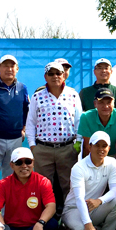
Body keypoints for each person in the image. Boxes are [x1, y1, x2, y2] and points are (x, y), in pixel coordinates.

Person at [25, 61, 82, 213]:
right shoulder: (37, 96)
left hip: (67, 148)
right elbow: (31, 123)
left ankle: (69, 216)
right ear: (45, 77)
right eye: (51, 74)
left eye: (58, 73)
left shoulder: (73, 94)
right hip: (43, 149)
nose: (55, 76)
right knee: (43, 186)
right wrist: (33, 146)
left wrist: (78, 143)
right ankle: (45, 217)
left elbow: (79, 121)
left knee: (69, 185)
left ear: (63, 75)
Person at [62, 131, 116, 230]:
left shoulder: (112, 162)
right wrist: (88, 224)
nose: (101, 149)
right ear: (90, 147)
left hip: (94, 206)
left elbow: (114, 190)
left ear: (109, 148)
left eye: (104, 146)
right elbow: (79, 198)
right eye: (97, 145)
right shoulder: (79, 167)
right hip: (73, 208)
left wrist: (99, 201)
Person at [0, 147, 58, 230]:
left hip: (34, 227)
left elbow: (51, 206)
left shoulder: (43, 182)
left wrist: (40, 223)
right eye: (19, 163)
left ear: (33, 163)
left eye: (28, 162)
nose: (24, 166)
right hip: (11, 228)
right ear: (12, 165)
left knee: (52, 224)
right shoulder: (3, 184)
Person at [0, 54, 30, 200]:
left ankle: (8, 212)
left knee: (11, 179)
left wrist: (23, 129)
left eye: (12, 66)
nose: (9, 69)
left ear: (17, 69)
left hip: (15, 140)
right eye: (5, 66)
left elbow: (26, 110)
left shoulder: (22, 88)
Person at [78, 88, 116, 167]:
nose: (105, 106)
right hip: (95, 153)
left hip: (115, 154)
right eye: (101, 102)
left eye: (109, 102)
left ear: (114, 103)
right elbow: (88, 146)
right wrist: (90, 166)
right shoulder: (86, 117)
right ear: (95, 104)